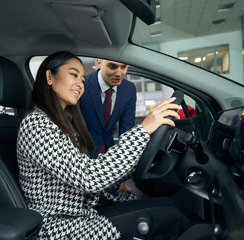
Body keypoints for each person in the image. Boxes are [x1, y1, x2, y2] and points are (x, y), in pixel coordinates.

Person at [17, 51, 192, 239]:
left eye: (83, 79)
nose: (80, 84)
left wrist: (139, 163)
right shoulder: (36, 125)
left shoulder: (60, 123)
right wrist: (143, 129)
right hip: (61, 225)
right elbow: (87, 176)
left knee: (170, 206)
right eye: (73, 75)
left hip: (82, 212)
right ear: (50, 77)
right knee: (173, 217)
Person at [79, 59, 136, 159]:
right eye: (113, 67)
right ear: (99, 63)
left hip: (110, 154)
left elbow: (127, 132)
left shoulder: (129, 89)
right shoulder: (82, 85)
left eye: (123, 67)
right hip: (82, 155)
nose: (119, 73)